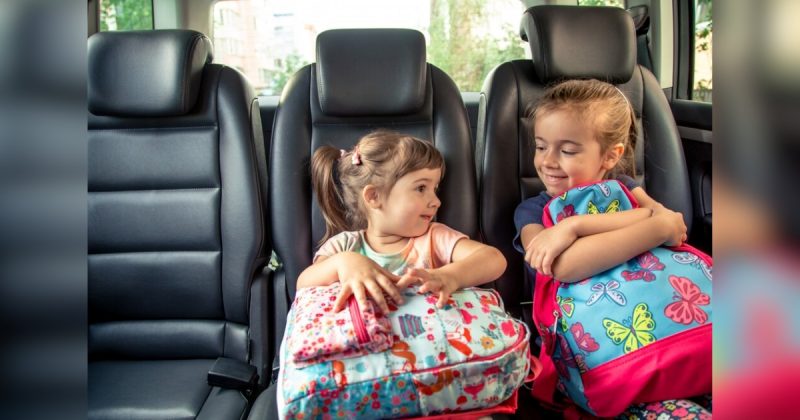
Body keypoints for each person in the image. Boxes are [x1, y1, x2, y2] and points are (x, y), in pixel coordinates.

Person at [512, 79, 711, 417]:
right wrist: (650, 225)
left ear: (610, 156)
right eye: (541, 146)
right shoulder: (533, 212)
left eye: (568, 150)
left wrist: (575, 226)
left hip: (684, 338)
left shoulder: (626, 189)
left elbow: (672, 226)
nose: (547, 161)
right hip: (607, 361)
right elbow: (562, 266)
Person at [298, 130, 507, 313]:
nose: (436, 201)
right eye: (421, 188)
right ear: (374, 197)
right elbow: (303, 284)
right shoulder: (344, 247)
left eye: (435, 189)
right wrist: (343, 262)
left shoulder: (435, 238)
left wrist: (447, 276)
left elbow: (494, 259)